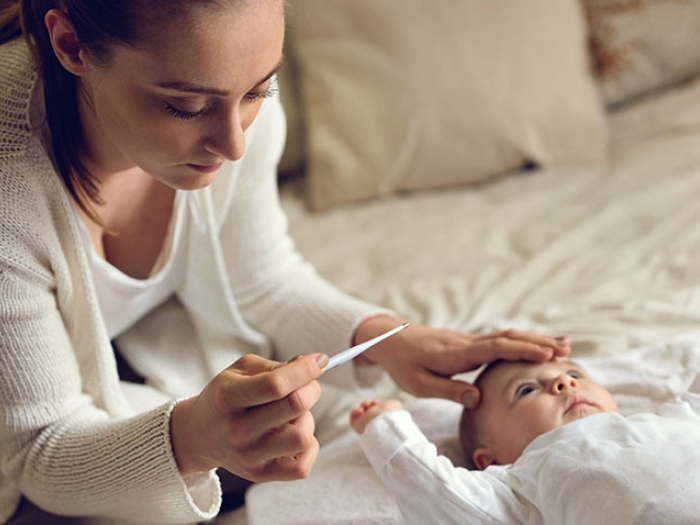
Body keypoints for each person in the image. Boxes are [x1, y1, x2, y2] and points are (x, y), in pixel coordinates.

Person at [0, 1, 571, 523]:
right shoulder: (11, 190)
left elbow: (262, 281)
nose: (233, 145)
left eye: (259, 91)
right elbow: (39, 452)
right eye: (185, 106)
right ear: (70, 45)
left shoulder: (233, 101)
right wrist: (192, 440)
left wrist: (389, 342)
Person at [350, 357, 700, 524]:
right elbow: (431, 488)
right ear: (491, 459)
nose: (564, 383)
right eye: (527, 390)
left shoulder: (668, 417)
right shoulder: (521, 482)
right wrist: (384, 425)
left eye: (574, 374)